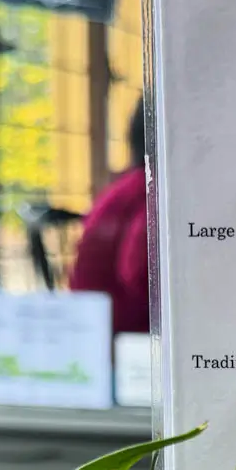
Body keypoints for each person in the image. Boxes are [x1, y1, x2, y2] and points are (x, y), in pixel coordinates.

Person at [69, 99, 149, 334]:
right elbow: (139, 271)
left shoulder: (128, 186)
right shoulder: (152, 189)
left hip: (94, 328)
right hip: (117, 344)